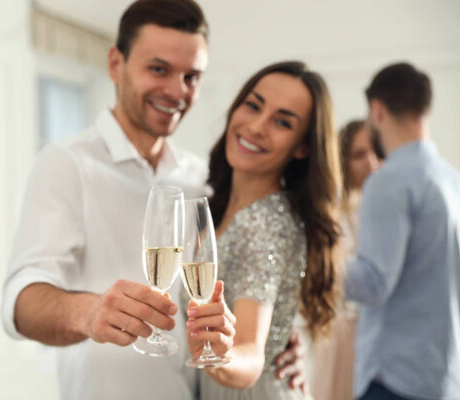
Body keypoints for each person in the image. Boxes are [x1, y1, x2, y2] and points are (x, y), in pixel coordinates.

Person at [2, 1, 307, 399]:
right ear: (116, 64)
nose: (178, 91)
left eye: (191, 76)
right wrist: (89, 312)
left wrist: (277, 341)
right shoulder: (67, 164)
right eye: (159, 69)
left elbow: (240, 291)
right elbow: (20, 303)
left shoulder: (202, 180)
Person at [183, 61, 341, 400]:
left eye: (282, 122)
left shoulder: (266, 223)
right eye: (253, 105)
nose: (256, 126)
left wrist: (219, 355)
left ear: (303, 147)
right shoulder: (218, 206)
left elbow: (251, 355)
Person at [345, 62, 460, 400]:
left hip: (395, 378)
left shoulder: (389, 180)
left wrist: (318, 262)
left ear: (376, 110)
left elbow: (374, 283)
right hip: (444, 376)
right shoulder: (452, 180)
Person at [310, 120, 381, 400]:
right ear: (342, 161)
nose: (371, 162)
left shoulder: (390, 210)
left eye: (375, 152)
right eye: (359, 155)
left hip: (382, 338)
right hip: (342, 337)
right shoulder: (330, 213)